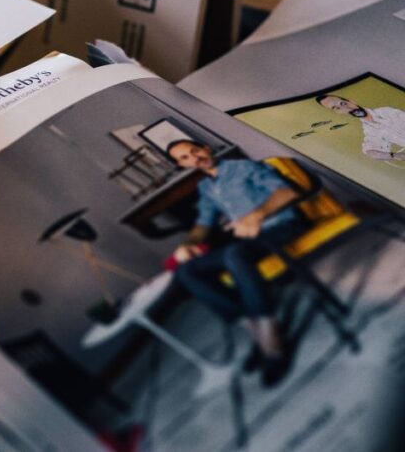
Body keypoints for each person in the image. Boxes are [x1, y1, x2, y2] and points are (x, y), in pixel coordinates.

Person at [166, 140, 303, 386]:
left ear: (206, 148)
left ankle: (272, 346)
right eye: (185, 158)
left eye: (195, 151)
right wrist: (188, 244)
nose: (195, 158)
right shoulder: (206, 187)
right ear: (182, 165)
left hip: (281, 226)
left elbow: (286, 192)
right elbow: (203, 222)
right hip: (250, 241)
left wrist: (255, 216)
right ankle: (258, 334)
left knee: (234, 255)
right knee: (188, 271)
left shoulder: (242, 167)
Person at [315, 94, 405, 162]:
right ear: (338, 113)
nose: (346, 108)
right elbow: (371, 152)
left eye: (343, 103)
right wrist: (395, 155)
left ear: (352, 101)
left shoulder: (386, 111)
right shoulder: (370, 131)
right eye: (337, 108)